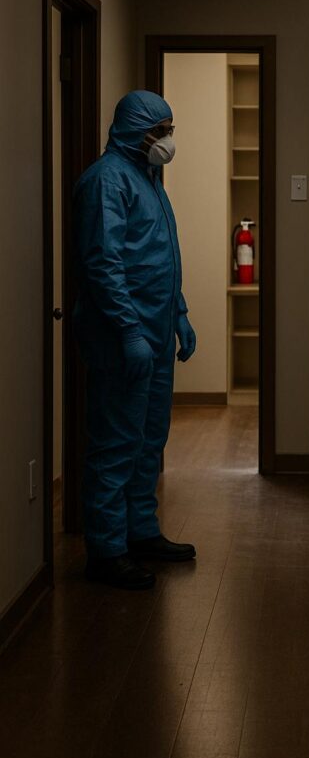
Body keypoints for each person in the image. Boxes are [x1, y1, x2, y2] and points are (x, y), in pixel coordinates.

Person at [73, 90, 197, 591]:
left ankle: (141, 532)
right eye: (159, 130)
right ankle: (106, 550)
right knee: (117, 442)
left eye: (169, 128)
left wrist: (180, 315)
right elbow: (103, 264)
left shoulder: (147, 176)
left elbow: (160, 253)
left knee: (149, 440)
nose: (167, 139)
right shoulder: (106, 182)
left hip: (156, 329)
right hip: (121, 336)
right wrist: (129, 331)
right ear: (134, 130)